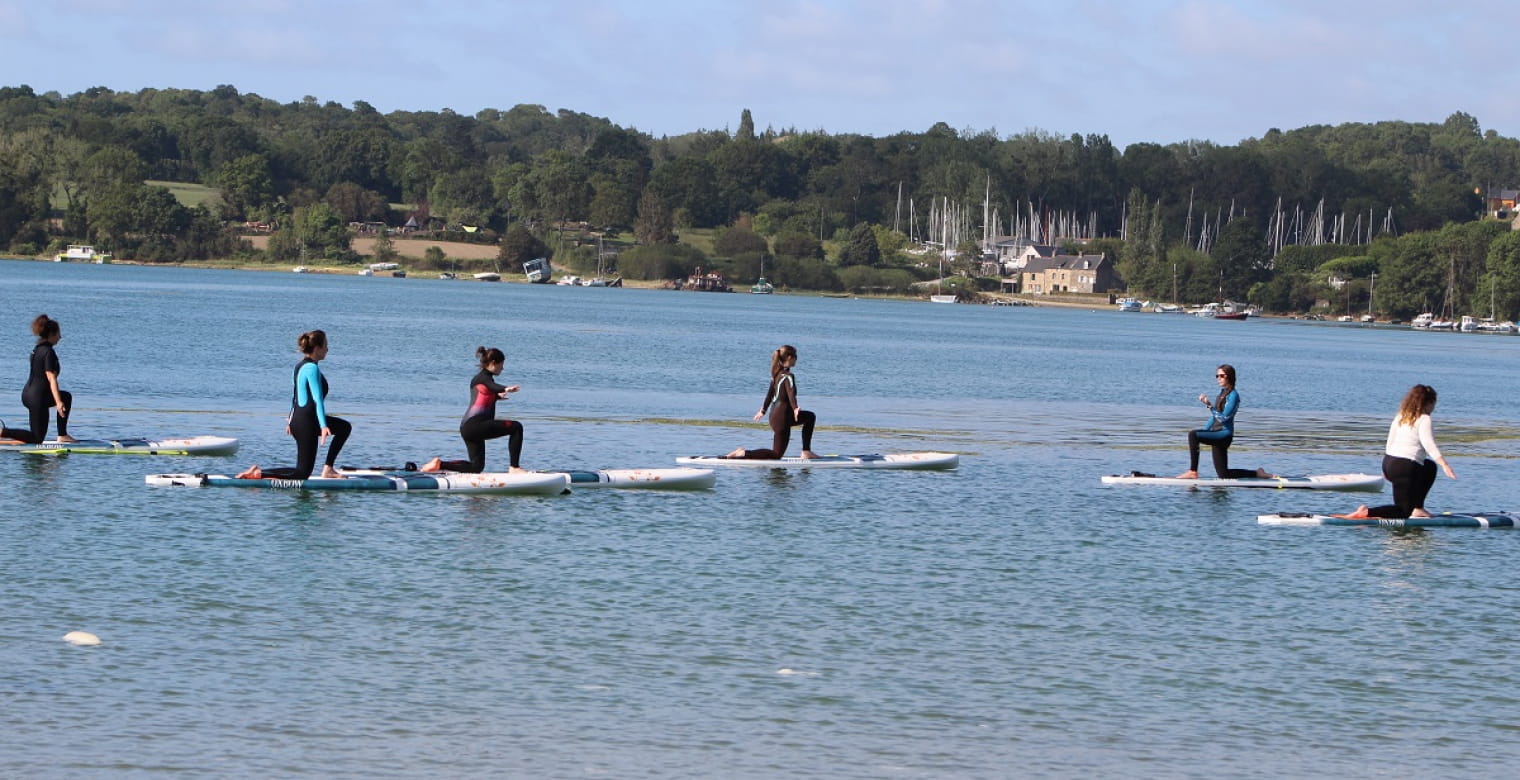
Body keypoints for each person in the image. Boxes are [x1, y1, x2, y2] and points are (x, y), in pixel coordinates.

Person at [236, 330, 351, 480]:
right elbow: (317, 399)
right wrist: (323, 426)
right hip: (307, 422)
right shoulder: (312, 368)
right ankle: (259, 475)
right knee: (302, 475)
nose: (327, 350)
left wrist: (291, 420)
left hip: (300, 420)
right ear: (316, 348)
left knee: (344, 428)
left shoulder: (299, 366)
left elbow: (295, 397)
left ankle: (328, 469)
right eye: (325, 346)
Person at [1343, 384, 1456, 519]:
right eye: (1433, 404)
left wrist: (1385, 468)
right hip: (1405, 467)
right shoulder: (1425, 419)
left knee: (1429, 467)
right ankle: (1367, 512)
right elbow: (1429, 444)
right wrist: (1444, 464)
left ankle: (1418, 508)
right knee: (1403, 512)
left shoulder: (1401, 416)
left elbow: (1390, 441)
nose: (1434, 408)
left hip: (1390, 463)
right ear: (1428, 403)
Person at [420, 346, 525, 474]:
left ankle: (439, 464)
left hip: (469, 428)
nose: (502, 368)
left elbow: (483, 395)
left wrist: (496, 397)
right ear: (493, 363)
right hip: (476, 425)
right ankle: (514, 467)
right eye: (501, 365)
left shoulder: (480, 379)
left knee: (476, 467)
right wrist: (505, 388)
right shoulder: (483, 378)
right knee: (516, 427)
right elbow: (492, 386)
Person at [1175, 363, 1273, 480]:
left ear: (1229, 376)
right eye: (1217, 376)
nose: (1218, 379)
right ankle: (1257, 473)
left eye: (1222, 376)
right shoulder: (1222, 394)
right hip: (1216, 434)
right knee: (1224, 475)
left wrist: (1209, 406)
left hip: (1224, 435)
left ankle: (1193, 471)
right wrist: (1205, 431)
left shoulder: (1233, 396)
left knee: (1192, 434)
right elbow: (1214, 417)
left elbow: (1223, 418)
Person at [724, 344, 819, 460]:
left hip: (776, 416)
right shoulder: (788, 376)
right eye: (795, 356)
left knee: (810, 417)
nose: (797, 359)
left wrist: (762, 410)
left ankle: (806, 451)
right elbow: (791, 393)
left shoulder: (776, 374)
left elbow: (769, 395)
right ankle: (743, 453)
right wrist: (795, 408)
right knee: (776, 455)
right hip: (783, 418)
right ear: (789, 357)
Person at [1, 314, 75, 444]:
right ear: (51, 334)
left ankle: (5, 440)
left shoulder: (37, 350)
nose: (60, 337)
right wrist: (58, 402)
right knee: (37, 439)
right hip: (38, 398)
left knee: (34, 437)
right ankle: (3, 432)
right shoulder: (48, 352)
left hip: (29, 394)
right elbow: (51, 378)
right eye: (58, 334)